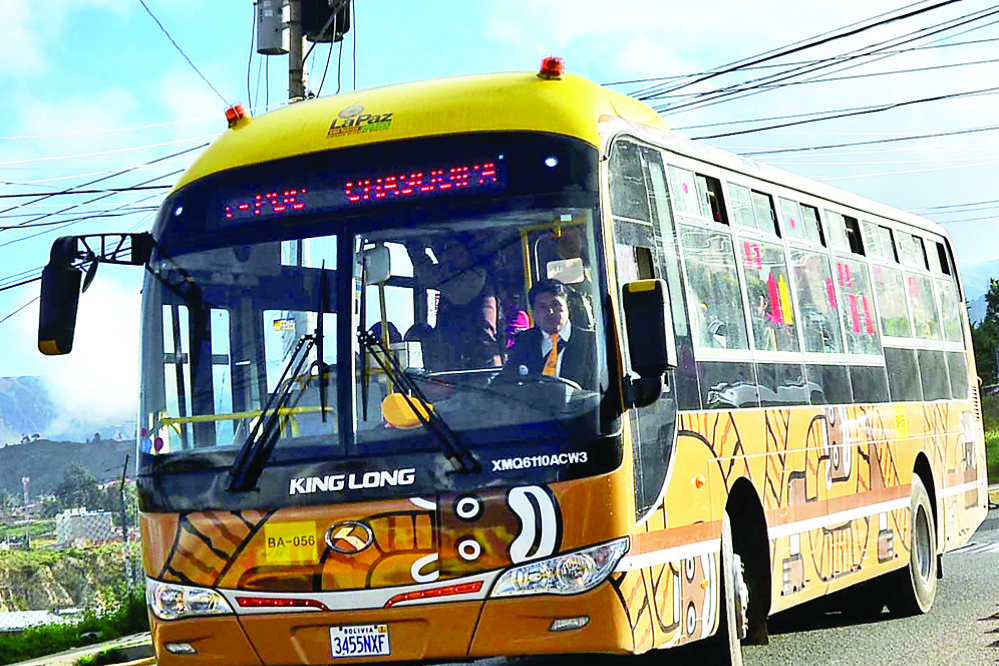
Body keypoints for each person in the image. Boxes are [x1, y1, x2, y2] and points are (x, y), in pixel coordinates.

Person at [405, 233, 503, 370]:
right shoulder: (457, 274)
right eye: (447, 250)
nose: (451, 254)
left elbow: (430, 274)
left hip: (481, 368)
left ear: (468, 252)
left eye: (456, 248)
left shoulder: (474, 277)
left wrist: (414, 245)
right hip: (457, 368)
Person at [505, 279, 596, 390]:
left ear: (568, 307)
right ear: (533, 313)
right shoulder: (524, 341)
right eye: (542, 306)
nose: (550, 312)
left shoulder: (590, 342)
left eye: (556, 304)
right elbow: (506, 382)